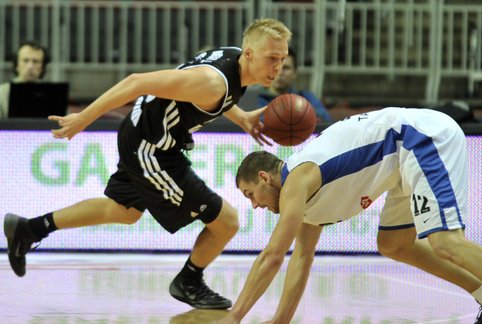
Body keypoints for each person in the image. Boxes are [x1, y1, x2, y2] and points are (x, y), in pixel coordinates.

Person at [3, 18, 292, 310]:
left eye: (282, 59)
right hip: (150, 148)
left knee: (124, 211)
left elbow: (213, 98)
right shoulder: (212, 82)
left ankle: (30, 228)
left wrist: (241, 118)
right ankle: (188, 282)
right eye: (272, 58)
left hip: (142, 134)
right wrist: (83, 119)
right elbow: (136, 82)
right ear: (250, 54)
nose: (278, 67)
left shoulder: (232, 60)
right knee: (226, 222)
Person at [228, 108, 482, 323]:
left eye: (250, 195)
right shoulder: (303, 202)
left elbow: (273, 256)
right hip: (397, 166)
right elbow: (300, 260)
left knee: (446, 241)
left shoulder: (296, 179)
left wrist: (235, 317)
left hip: (419, 138)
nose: (255, 205)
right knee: (393, 243)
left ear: (264, 177)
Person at [254, 47, 332, 122]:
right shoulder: (253, 98)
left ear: (295, 73)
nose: (280, 73)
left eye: (286, 68)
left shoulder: (307, 98)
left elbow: (326, 122)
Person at [0, 40, 50, 119]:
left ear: (42, 67)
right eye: (25, 60)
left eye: (35, 61)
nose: (30, 66)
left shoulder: (51, 93)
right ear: (17, 64)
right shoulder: (2, 92)